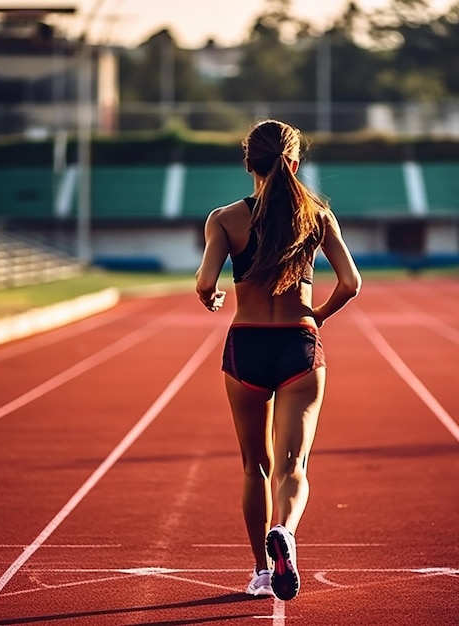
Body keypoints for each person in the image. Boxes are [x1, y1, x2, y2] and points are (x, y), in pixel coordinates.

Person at [195, 119, 361, 600]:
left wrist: (212, 298)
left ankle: (261, 571)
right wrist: (320, 314)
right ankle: (284, 531)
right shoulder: (317, 214)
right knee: (294, 467)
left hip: (246, 345)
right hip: (298, 345)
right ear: (294, 161)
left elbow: (206, 282)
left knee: (256, 468)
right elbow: (350, 283)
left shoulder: (224, 219)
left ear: (249, 163)